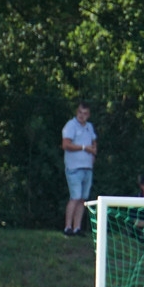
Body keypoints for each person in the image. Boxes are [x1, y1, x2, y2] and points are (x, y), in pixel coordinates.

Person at [61, 101, 97, 236]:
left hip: (87, 168)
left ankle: (77, 228)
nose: (82, 116)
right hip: (74, 168)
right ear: (77, 112)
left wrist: (93, 154)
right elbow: (65, 144)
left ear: (89, 115)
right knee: (75, 197)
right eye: (80, 112)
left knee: (83, 199)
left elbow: (94, 142)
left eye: (85, 113)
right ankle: (67, 227)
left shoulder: (89, 127)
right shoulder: (71, 126)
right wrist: (83, 148)